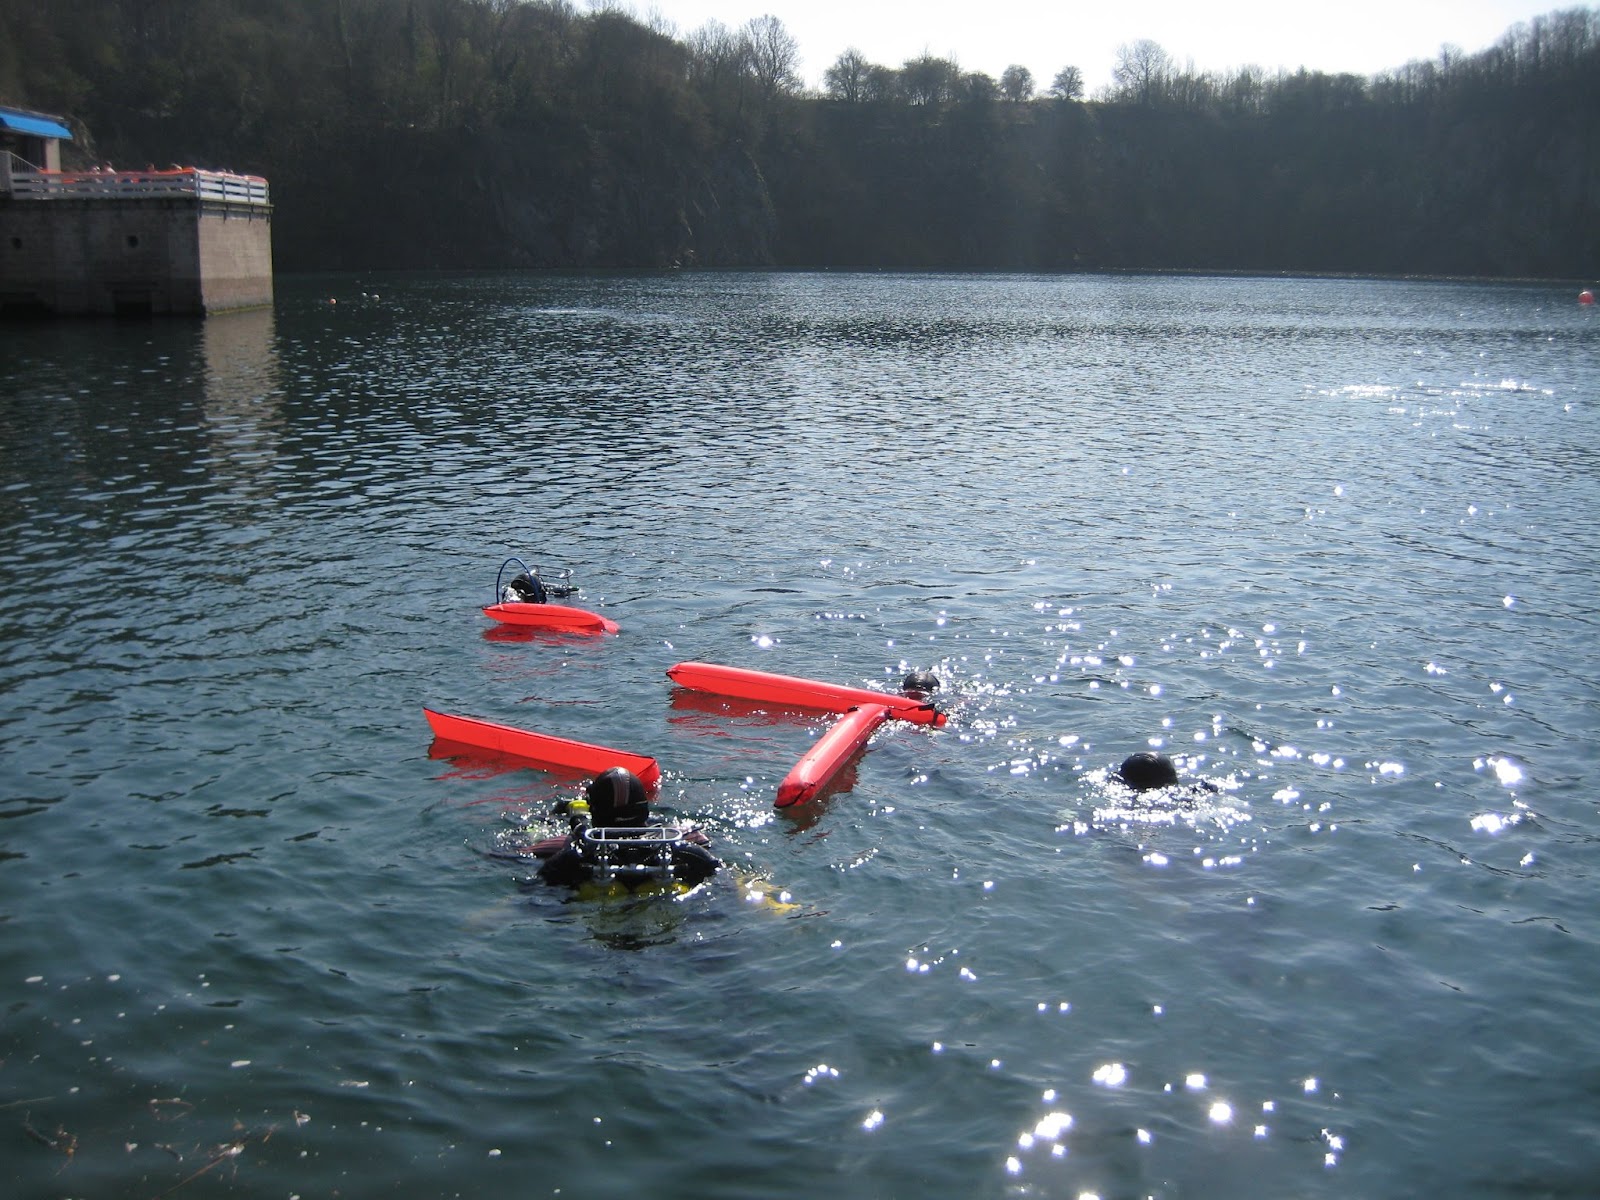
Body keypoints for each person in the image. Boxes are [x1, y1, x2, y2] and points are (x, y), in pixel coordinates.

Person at [536, 768, 720, 892]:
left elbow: (522, 856)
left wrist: (547, 820)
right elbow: (707, 848)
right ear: (643, 807)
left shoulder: (571, 846)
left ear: (594, 810)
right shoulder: (678, 838)